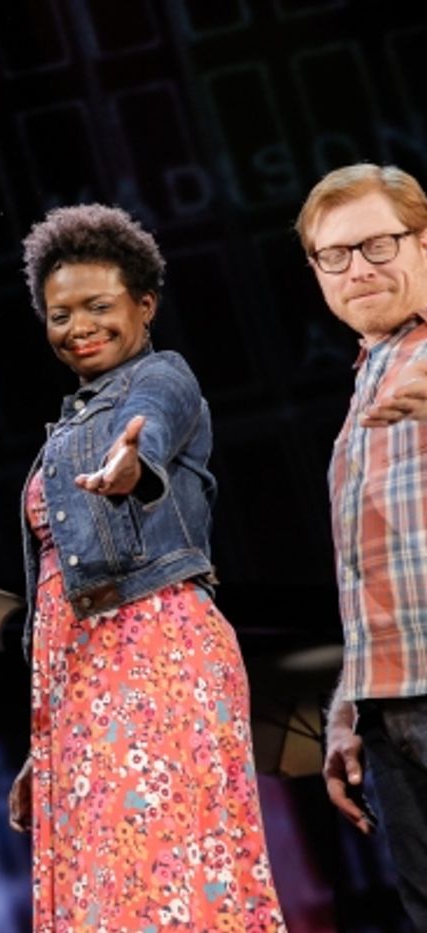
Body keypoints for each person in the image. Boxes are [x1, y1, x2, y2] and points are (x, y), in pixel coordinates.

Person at [6, 204, 284, 931]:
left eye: (99, 306)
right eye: (59, 313)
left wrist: (135, 464)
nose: (78, 326)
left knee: (161, 870)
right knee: (109, 876)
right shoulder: (69, 421)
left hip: (154, 651)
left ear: (145, 304)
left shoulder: (163, 378)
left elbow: (151, 426)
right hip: (79, 679)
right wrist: (46, 747)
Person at [298, 163, 427, 929]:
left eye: (377, 245)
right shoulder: (366, 381)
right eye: (335, 256)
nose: (359, 270)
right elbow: (374, 572)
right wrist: (348, 710)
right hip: (393, 710)